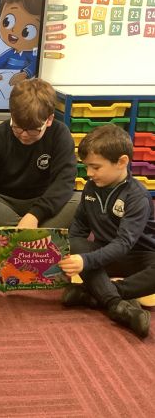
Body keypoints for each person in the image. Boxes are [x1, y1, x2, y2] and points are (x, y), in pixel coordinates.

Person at [0, 77, 78, 244]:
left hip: (43, 201)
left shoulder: (60, 134)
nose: (24, 135)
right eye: (18, 127)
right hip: (2, 202)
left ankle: (15, 238)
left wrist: (34, 215)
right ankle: (36, 239)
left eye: (33, 130)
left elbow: (64, 182)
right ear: (12, 115)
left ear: (49, 120)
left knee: (80, 201)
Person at [59, 124, 154, 338]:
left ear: (121, 162)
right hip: (104, 254)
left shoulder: (137, 196)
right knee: (75, 244)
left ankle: (97, 295)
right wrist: (70, 254)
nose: (89, 173)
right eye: (87, 167)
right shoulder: (91, 188)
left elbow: (124, 244)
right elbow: (78, 228)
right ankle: (118, 305)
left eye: (95, 167)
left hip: (138, 256)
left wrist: (86, 262)